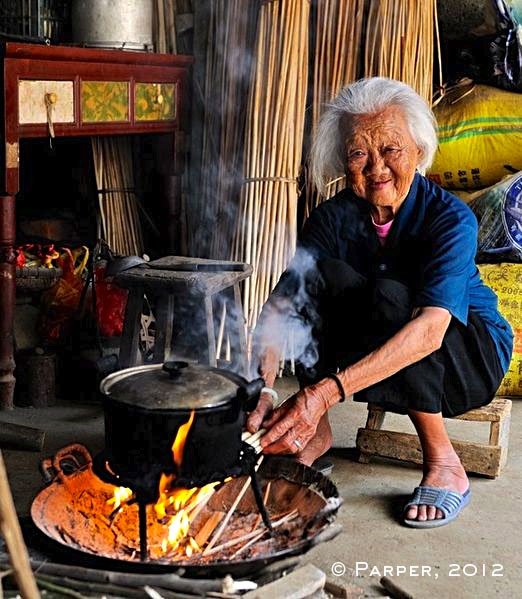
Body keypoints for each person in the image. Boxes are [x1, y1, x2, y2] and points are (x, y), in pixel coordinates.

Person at [246, 77, 513, 528]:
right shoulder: (332, 217)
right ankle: (319, 432)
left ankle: (444, 463)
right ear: (342, 162)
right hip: (380, 360)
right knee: (320, 277)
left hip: (466, 358)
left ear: (419, 152)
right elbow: (283, 304)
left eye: (391, 149)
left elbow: (430, 329)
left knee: (391, 296)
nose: (376, 168)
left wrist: (320, 392)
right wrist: (265, 390)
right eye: (358, 154)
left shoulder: (450, 218)